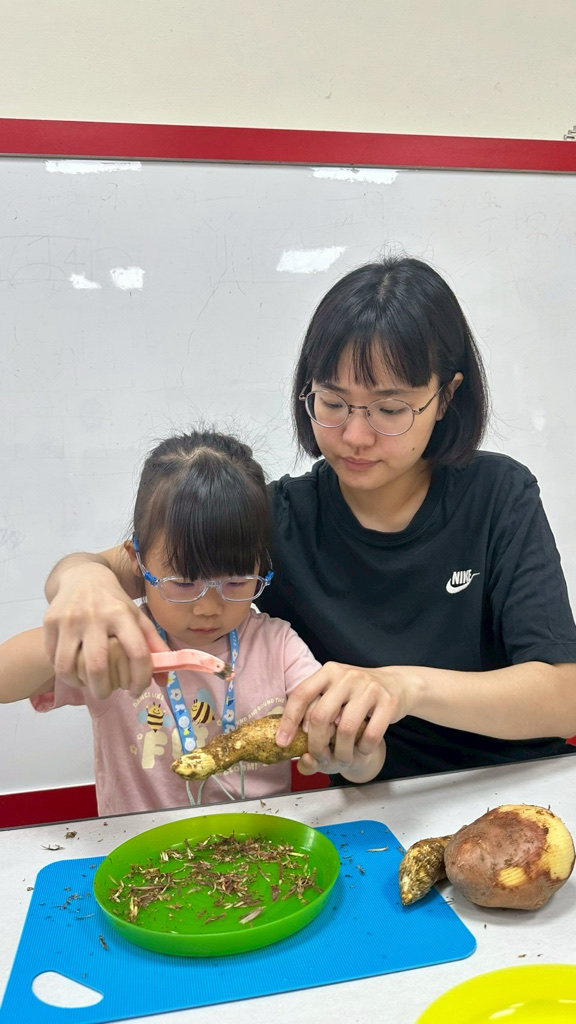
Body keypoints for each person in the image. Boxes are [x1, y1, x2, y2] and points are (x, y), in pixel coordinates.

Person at [42, 256, 576, 784]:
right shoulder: (278, 520)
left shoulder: (498, 494)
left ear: (446, 397)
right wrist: (83, 580)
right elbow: (115, 565)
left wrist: (404, 687)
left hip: (521, 784)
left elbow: (564, 698)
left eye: (390, 410)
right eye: (333, 403)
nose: (356, 436)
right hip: (375, 803)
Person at [0, 428, 387, 814]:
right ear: (136, 561)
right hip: (143, 845)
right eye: (184, 584)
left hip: (262, 843)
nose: (208, 607)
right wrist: (82, 635)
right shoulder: (120, 641)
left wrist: (351, 757)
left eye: (236, 581)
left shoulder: (278, 646)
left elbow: (368, 759)